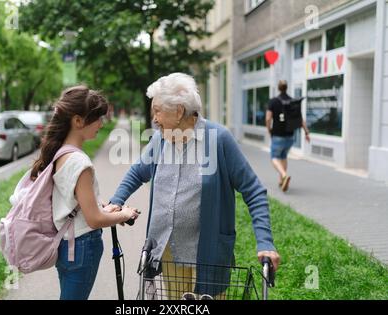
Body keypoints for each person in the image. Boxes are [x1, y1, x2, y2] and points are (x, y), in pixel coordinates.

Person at [109, 73, 280, 299]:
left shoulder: (218, 139)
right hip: (170, 251)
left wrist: (265, 242)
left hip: (207, 253)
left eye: (158, 111)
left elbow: (254, 191)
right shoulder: (160, 139)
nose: (155, 119)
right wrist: (116, 201)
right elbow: (137, 172)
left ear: (179, 111)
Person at [30, 85, 139, 300]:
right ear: (78, 121)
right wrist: (124, 214)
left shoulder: (60, 153)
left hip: (65, 243)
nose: (101, 123)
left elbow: (74, 203)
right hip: (81, 245)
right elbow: (94, 219)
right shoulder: (80, 163)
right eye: (97, 118)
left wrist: (106, 209)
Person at [266, 80, 310, 192]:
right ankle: (281, 181)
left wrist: (269, 130)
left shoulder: (273, 102)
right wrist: (306, 132)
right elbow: (300, 119)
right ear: (286, 87)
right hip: (290, 136)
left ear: (278, 88)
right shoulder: (292, 101)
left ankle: (284, 175)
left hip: (277, 135)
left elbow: (268, 118)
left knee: (274, 157)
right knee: (283, 156)